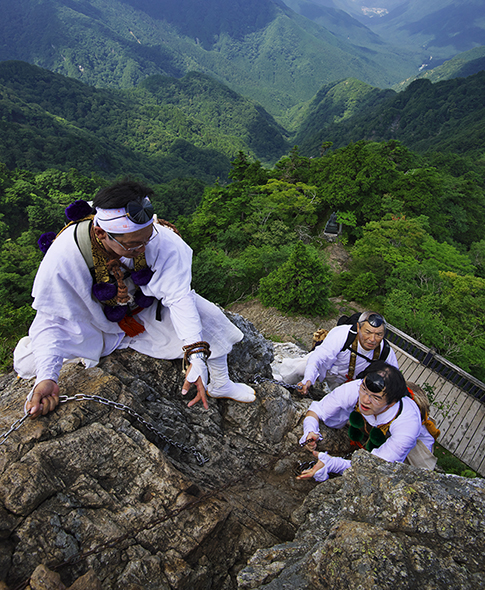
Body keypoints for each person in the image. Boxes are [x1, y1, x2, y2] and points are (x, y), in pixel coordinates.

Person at [14, 180, 256, 418]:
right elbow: (53, 319)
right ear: (100, 233)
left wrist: (196, 356)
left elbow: (179, 298)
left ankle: (221, 383)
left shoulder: (161, 239)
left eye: (146, 239)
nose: (142, 248)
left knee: (208, 316)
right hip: (89, 320)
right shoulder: (65, 255)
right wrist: (48, 377)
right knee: (32, 361)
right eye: (132, 245)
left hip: (141, 311)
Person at [297, 362, 436, 481]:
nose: (365, 399)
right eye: (363, 390)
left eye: (376, 398)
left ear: (392, 403)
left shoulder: (408, 424)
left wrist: (333, 464)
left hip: (411, 444)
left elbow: (377, 465)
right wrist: (310, 431)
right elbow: (316, 410)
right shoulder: (358, 387)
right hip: (371, 423)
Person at [296, 312, 398, 394]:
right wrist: (308, 379)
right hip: (327, 369)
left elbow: (393, 380)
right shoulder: (342, 334)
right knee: (300, 368)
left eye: (379, 334)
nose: (372, 339)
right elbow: (318, 357)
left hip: (349, 385)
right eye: (368, 332)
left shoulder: (385, 351)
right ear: (358, 327)